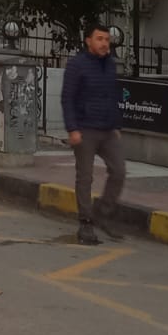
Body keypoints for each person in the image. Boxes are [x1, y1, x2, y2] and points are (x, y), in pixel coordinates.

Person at [61, 23, 126, 246]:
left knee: (119, 171)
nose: (104, 43)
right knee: (85, 177)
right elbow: (67, 98)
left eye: (107, 40)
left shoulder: (110, 65)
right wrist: (72, 128)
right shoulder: (77, 65)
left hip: (108, 130)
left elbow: (112, 96)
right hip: (85, 129)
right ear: (88, 41)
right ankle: (86, 223)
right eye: (99, 39)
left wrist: (116, 125)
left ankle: (103, 212)